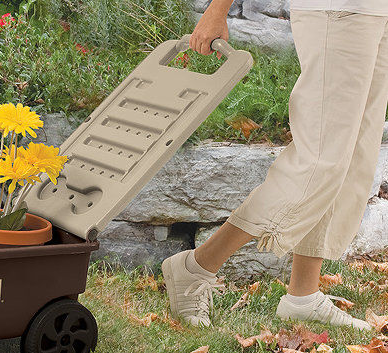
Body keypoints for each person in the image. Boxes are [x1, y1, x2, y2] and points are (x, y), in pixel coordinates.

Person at [163, 0, 388, 329]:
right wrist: (218, 9)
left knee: (351, 156)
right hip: (335, 10)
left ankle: (303, 295)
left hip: (377, 11)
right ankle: (197, 265)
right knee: (319, 161)